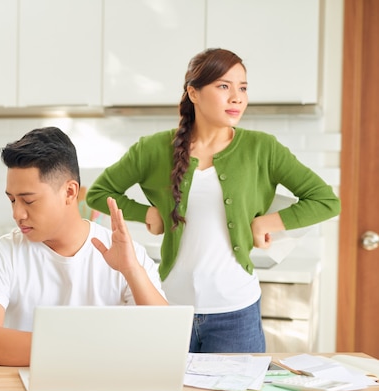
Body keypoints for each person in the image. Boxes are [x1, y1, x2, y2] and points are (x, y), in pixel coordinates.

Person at [85, 48, 341, 353]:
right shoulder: (153, 149)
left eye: (243, 88)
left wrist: (266, 222)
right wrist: (147, 213)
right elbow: (99, 193)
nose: (237, 97)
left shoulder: (262, 149)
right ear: (193, 93)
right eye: (224, 86)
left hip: (237, 312)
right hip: (169, 308)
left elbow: (326, 200)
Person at [0, 126, 168, 366]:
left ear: (70, 192)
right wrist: (88, 349)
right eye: (12, 200)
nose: (17, 213)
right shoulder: (1, 254)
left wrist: (132, 272)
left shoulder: (126, 255)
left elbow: (163, 339)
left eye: (28, 200)